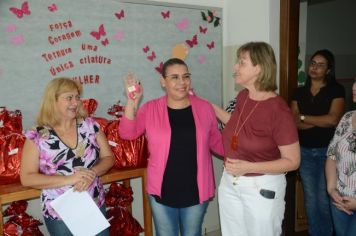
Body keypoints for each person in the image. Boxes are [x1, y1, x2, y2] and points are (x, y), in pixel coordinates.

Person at [118, 58, 224, 236]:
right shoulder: (150, 109)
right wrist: (132, 103)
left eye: (186, 76)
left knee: (192, 233)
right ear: (163, 81)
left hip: (196, 189)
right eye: (174, 77)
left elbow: (217, 143)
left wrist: (245, 153)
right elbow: (127, 134)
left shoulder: (204, 108)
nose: (182, 82)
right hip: (162, 189)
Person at [213, 41, 300, 236]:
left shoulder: (278, 110)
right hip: (231, 182)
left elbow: (293, 161)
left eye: (242, 62)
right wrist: (210, 107)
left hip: (261, 186)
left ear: (259, 68)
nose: (235, 67)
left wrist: (249, 167)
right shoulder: (244, 97)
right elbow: (237, 126)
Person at [20, 78, 114, 236]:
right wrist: (69, 179)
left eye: (77, 97)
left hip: (94, 205)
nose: (75, 102)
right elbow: (27, 178)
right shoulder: (38, 136)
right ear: (53, 101)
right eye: (69, 97)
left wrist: (92, 173)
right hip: (60, 214)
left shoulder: (90, 126)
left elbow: (109, 158)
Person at [291, 49, 345, 236]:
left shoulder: (336, 90)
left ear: (329, 70)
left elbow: (332, 120)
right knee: (310, 199)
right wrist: (314, 120)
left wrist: (304, 117)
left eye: (321, 65)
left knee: (324, 199)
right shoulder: (298, 92)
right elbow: (294, 122)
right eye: (313, 63)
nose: (314, 68)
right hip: (304, 151)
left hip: (327, 152)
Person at [325, 78, 356, 236]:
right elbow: (332, 155)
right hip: (338, 201)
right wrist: (331, 189)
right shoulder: (347, 118)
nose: (354, 86)